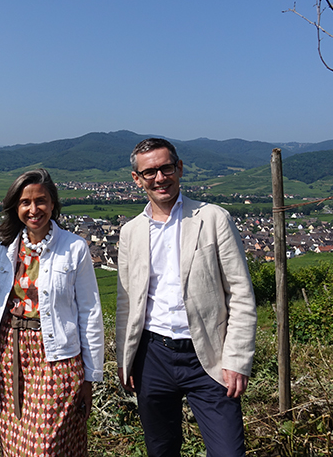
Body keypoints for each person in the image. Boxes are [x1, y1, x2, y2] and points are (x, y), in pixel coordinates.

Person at [116, 138, 257, 457]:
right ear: (137, 179)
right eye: (149, 172)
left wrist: (237, 359)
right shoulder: (131, 232)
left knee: (228, 452)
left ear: (179, 168)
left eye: (166, 168)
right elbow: (126, 303)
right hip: (151, 355)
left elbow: (241, 294)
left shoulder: (213, 218)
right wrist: (124, 360)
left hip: (209, 353)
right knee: (161, 449)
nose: (160, 178)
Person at [0, 169, 104, 457]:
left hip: (57, 357)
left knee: (46, 446)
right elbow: (0, 307)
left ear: (53, 204)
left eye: (41, 201)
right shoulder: (7, 248)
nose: (33, 209)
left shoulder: (74, 248)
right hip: (12, 352)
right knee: (15, 440)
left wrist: (90, 377)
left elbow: (90, 312)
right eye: (25, 202)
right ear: (15, 207)